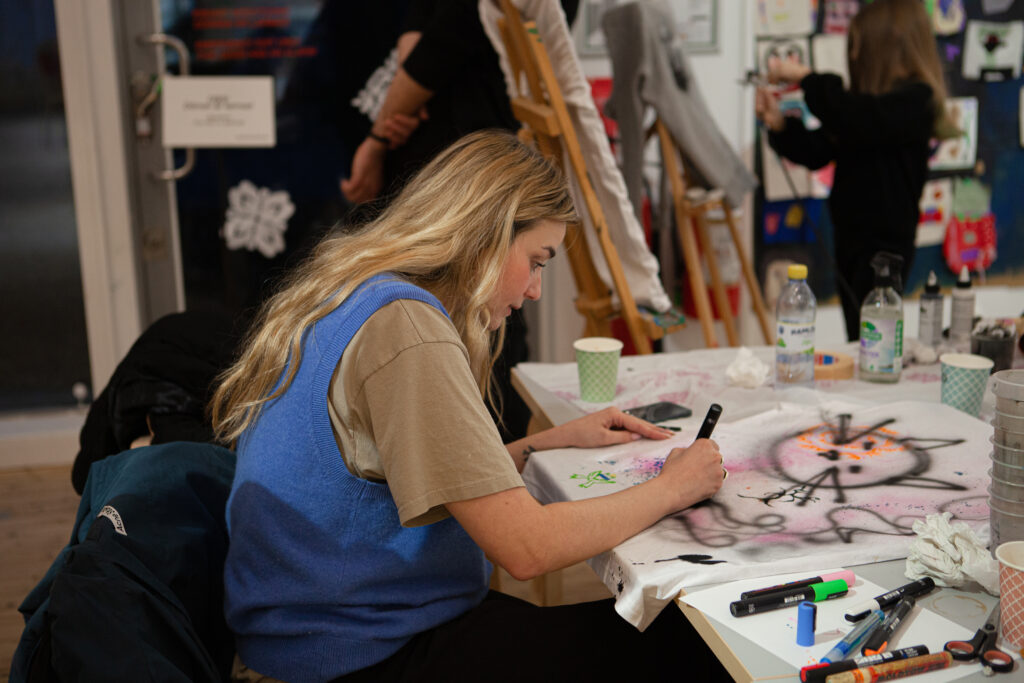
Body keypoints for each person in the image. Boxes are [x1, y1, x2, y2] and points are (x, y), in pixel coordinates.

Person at [211, 130, 728, 682]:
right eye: (536, 261)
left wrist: (537, 446)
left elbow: (389, 480)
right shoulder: (407, 330)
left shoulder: (358, 289)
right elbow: (526, 549)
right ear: (484, 234)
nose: (533, 290)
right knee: (690, 646)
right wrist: (674, 487)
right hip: (353, 653)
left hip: (320, 630)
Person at [754, 0, 957, 341]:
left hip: (885, 246)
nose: (855, 56)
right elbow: (819, 150)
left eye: (860, 48)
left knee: (872, 335)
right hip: (851, 238)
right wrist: (779, 126)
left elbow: (857, 117)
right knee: (859, 333)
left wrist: (806, 78)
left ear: (884, 49)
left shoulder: (913, 101)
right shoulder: (864, 114)